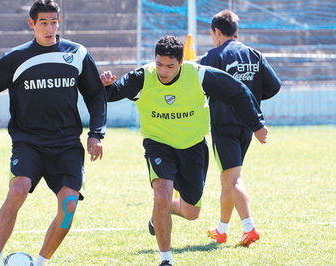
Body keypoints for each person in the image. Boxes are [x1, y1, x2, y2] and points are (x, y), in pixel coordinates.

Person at [0, 1, 106, 265]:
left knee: (69, 206)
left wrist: (96, 134)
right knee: (18, 188)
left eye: (54, 21)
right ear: (31, 24)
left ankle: (41, 262)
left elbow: (95, 94)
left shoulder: (77, 53)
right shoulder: (16, 58)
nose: (49, 27)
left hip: (67, 144)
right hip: (28, 141)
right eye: (43, 22)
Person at [100, 35, 268, 265]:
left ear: (181, 63)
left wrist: (256, 124)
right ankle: (165, 259)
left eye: (170, 66)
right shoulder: (143, 76)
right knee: (162, 195)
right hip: (158, 144)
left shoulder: (198, 75)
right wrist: (107, 85)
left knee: (191, 212)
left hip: (193, 147)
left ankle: (160, 215)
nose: (163, 71)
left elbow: (237, 91)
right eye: (159, 64)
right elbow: (114, 92)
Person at [200, 10, 281, 247]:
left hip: (223, 124)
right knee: (228, 177)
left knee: (232, 178)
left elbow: (199, 86)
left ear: (216, 31)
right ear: (236, 30)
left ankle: (249, 228)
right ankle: (222, 230)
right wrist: (252, 98)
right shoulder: (254, 54)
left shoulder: (214, 56)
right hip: (247, 125)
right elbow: (274, 86)